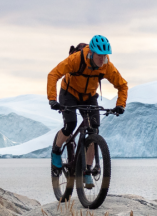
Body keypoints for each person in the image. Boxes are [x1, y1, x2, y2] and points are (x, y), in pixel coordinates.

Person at [47, 35, 128, 187]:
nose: (102, 59)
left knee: (93, 130)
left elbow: (122, 85)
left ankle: (87, 171)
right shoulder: (76, 60)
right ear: (91, 52)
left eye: (105, 56)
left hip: (89, 96)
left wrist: (120, 104)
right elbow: (53, 74)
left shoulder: (106, 66)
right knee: (70, 125)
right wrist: (52, 99)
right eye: (99, 55)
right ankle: (56, 151)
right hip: (69, 93)